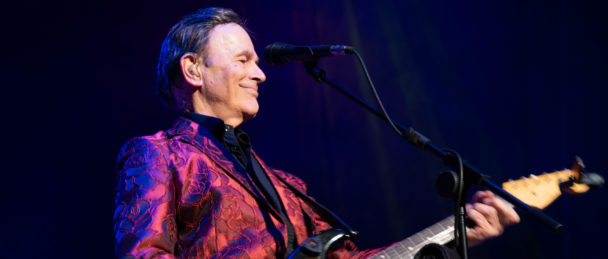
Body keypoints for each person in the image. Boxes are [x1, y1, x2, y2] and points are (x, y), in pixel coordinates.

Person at [113, 7, 520, 258]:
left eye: (258, 62)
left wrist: (458, 236)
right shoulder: (158, 154)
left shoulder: (288, 187)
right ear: (193, 70)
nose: (259, 74)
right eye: (243, 60)